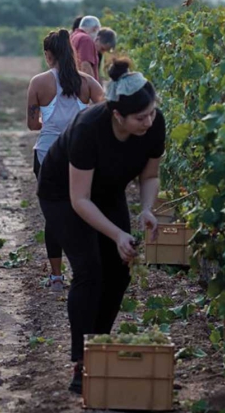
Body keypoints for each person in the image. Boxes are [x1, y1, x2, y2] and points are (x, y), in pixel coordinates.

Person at [36, 57, 165, 394]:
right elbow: (79, 199)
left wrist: (147, 210)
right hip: (62, 194)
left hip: (106, 191)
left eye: (152, 112)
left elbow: (150, 175)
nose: (149, 122)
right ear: (117, 115)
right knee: (90, 269)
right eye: (141, 117)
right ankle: (82, 362)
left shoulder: (154, 124)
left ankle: (99, 345)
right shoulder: (88, 129)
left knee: (119, 270)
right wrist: (117, 233)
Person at [26, 29, 104, 291]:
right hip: (80, 157)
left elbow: (32, 124)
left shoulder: (38, 82)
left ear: (48, 55)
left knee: (54, 216)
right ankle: (84, 270)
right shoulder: (88, 83)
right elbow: (106, 113)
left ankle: (56, 277)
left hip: (47, 155)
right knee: (82, 211)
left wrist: (48, 120)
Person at [70, 16, 116, 81]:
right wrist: (93, 88)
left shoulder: (74, 36)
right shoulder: (86, 39)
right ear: (95, 29)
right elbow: (85, 67)